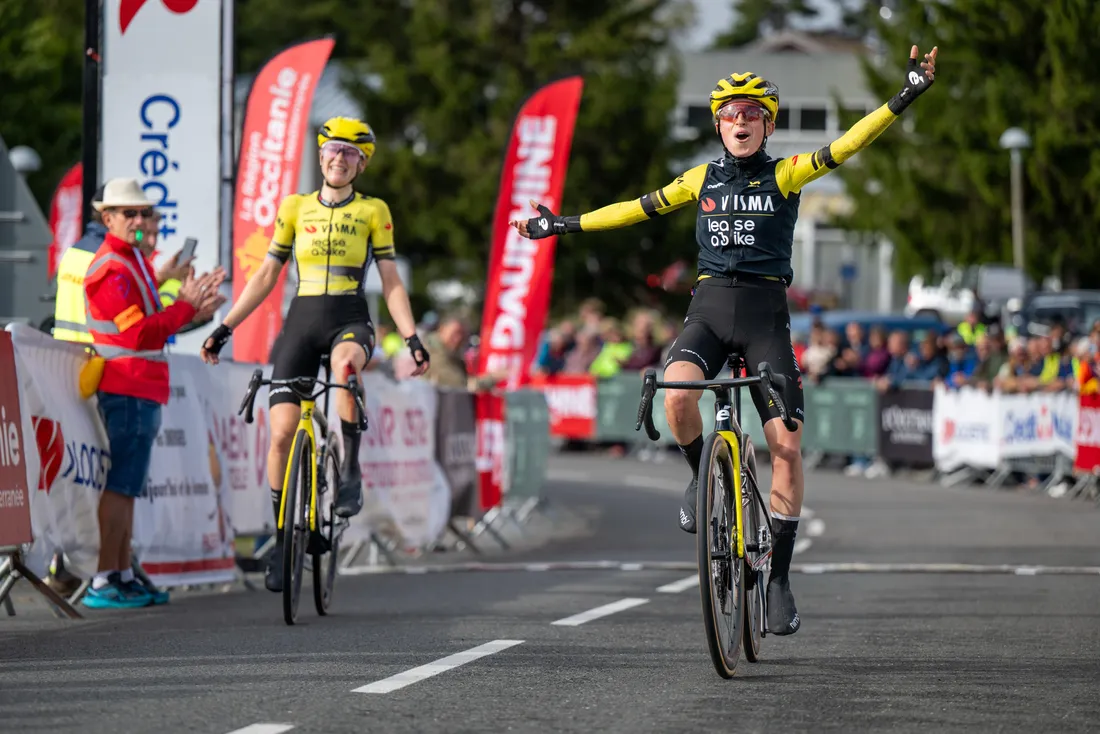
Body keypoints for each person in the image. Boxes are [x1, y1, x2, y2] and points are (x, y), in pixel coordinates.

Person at [512, 46, 939, 636]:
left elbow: (848, 143)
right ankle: (698, 472)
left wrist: (907, 92)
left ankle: (780, 579)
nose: (741, 122)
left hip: (766, 318)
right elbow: (633, 211)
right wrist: (561, 224)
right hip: (709, 311)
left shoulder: (787, 174)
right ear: (719, 125)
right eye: (731, 113)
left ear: (768, 124)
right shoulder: (699, 179)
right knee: (677, 396)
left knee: (786, 450)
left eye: (752, 113)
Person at [199, 117, 430, 593]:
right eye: (333, 151)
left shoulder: (373, 211)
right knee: (281, 433)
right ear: (321, 156)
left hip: (349, 317)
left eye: (350, 153)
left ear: (361, 164)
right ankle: (284, 535)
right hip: (301, 322)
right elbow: (265, 276)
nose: (340, 159)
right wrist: (223, 328)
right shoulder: (295, 207)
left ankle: (348, 470)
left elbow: (390, 282)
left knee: (346, 368)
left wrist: (411, 337)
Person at [82, 178, 225, 609]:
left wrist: (188, 308)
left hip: (138, 385)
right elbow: (138, 334)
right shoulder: (112, 266)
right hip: (125, 385)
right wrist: (185, 305)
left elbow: (152, 327)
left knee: (129, 486)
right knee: (122, 485)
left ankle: (121, 573)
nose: (140, 220)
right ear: (107, 218)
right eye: (130, 213)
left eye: (145, 213)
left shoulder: (133, 261)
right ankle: (104, 579)